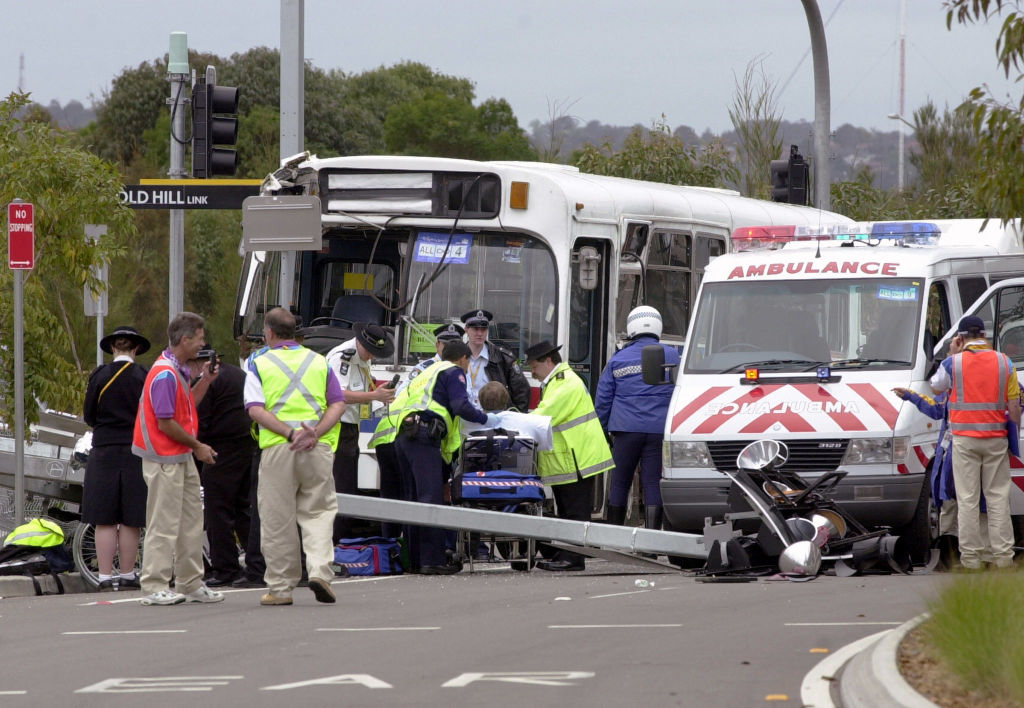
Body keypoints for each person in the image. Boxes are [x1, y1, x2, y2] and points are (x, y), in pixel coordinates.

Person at [245, 307, 346, 605]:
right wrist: (314, 432)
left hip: (279, 448)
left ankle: (280, 587)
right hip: (317, 447)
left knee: (278, 518)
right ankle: (320, 572)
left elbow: (255, 408)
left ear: (270, 333)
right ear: (296, 334)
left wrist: (290, 434)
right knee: (318, 512)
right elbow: (338, 404)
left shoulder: (258, 362)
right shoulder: (319, 361)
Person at [132, 312, 223, 606]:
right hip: (164, 457)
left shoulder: (177, 371)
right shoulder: (165, 375)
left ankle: (189, 581)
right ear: (184, 340)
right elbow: (165, 422)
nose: (203, 344)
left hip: (178, 455)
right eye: (199, 338)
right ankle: (154, 584)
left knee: (190, 521)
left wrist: (205, 380)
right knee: (164, 523)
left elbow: (184, 409)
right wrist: (198, 446)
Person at [393, 340, 498, 574]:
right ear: (463, 359)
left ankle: (415, 560)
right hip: (423, 437)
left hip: (404, 437)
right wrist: (486, 419)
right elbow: (459, 405)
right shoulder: (454, 372)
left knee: (413, 500)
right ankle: (433, 561)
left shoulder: (426, 372)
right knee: (431, 499)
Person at [930, 315, 1022, 570]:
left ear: (961, 338)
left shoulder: (953, 363)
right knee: (997, 499)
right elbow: (1014, 407)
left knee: (968, 500)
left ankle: (970, 560)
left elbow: (936, 388)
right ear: (984, 335)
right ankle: (1003, 558)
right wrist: (1012, 435)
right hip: (995, 440)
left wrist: (952, 352)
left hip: (964, 442)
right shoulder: (1005, 363)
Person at [526, 340, 614, 571]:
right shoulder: (557, 381)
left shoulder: (565, 384)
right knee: (566, 511)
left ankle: (574, 559)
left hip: (577, 458)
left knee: (574, 512)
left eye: (534, 367)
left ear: (547, 361)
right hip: (570, 458)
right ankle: (566, 554)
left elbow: (543, 416)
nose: (532, 373)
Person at [595, 306, 680, 530]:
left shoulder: (617, 360)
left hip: (626, 430)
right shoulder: (673, 356)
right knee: (652, 482)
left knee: (620, 481)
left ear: (631, 327)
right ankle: (652, 540)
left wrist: (602, 429)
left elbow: (603, 399)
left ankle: (614, 535)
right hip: (658, 430)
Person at [82, 326, 151, 592]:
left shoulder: (99, 375)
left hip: (104, 450)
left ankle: (104, 576)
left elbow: (89, 415)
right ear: (135, 349)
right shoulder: (143, 375)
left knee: (105, 517)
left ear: (112, 348)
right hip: (136, 449)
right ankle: (127, 574)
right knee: (131, 516)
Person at [325, 323, 396, 543]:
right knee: (340, 490)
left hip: (350, 428)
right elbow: (338, 395)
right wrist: (374, 396)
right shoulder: (342, 358)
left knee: (348, 489)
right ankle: (335, 543)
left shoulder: (362, 359)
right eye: (372, 351)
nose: (373, 357)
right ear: (361, 343)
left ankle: (342, 542)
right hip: (336, 428)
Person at [193, 347, 258, 587]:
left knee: (217, 511)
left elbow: (201, 419)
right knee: (243, 509)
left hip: (220, 449)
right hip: (246, 446)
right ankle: (256, 563)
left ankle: (225, 568)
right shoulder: (239, 375)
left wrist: (196, 448)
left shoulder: (208, 381)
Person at [460, 309, 530, 411]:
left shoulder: (503, 358)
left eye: (483, 329)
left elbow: (522, 391)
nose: (479, 333)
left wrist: (512, 420)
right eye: (475, 329)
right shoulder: (457, 357)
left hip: (493, 420)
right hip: (464, 419)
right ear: (466, 329)